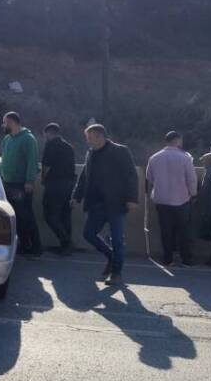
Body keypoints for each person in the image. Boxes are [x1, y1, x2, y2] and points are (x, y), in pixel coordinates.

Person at [72, 125, 139, 286]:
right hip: (96, 204)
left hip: (116, 203)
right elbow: (84, 177)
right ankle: (110, 256)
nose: (88, 141)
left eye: (89, 138)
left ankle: (116, 273)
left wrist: (132, 199)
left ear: (99, 136)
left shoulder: (120, 151)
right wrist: (76, 196)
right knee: (89, 234)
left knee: (117, 239)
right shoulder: (91, 153)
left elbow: (131, 175)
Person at [145, 131, 198, 266]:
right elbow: (191, 179)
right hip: (182, 199)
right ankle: (186, 258)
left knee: (166, 231)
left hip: (161, 200)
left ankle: (167, 259)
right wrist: (193, 194)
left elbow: (149, 178)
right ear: (178, 140)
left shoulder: (154, 158)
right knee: (183, 230)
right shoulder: (185, 158)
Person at [0, 111, 42, 258]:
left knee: (26, 216)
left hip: (21, 185)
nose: (3, 125)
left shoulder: (28, 139)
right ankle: (23, 245)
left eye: (5, 122)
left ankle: (36, 248)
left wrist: (29, 181)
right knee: (15, 217)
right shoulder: (7, 139)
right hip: (7, 183)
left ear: (12, 122)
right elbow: (3, 160)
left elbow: (32, 161)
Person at [40, 122, 77, 255]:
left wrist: (43, 179)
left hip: (55, 185)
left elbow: (46, 166)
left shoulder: (51, 145)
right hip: (69, 185)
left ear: (48, 133)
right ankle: (66, 246)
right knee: (65, 215)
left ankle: (66, 242)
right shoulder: (68, 147)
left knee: (50, 215)